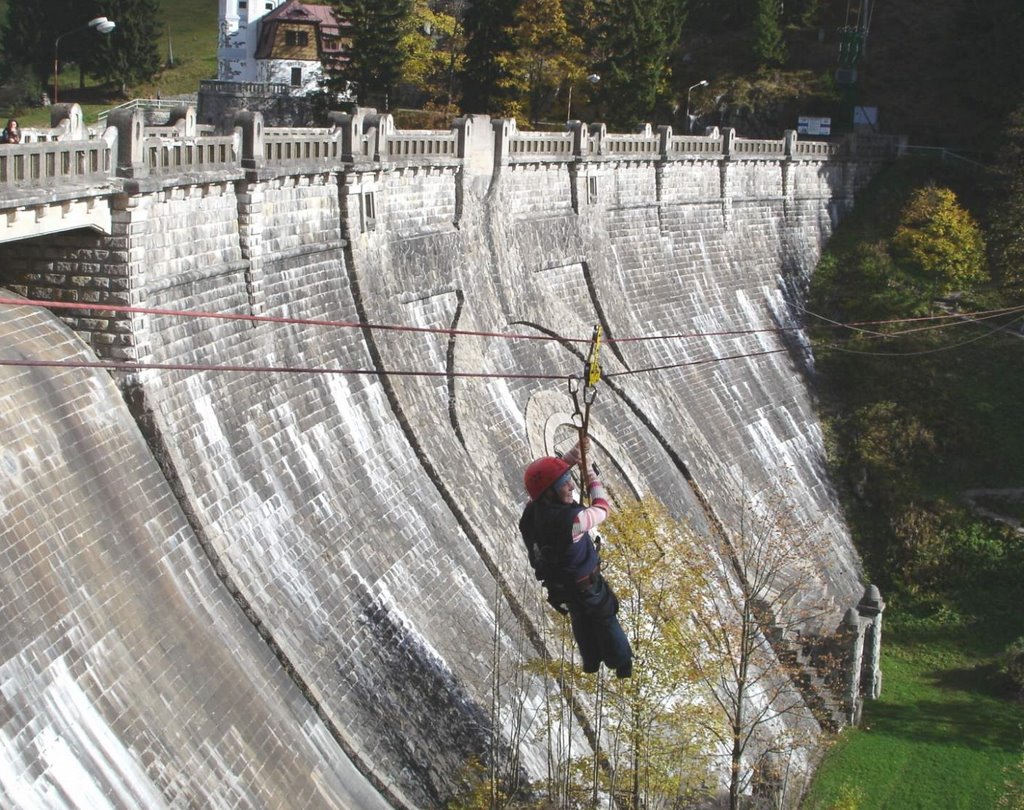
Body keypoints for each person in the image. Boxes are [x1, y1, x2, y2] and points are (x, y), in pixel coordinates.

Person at [519, 440, 633, 678]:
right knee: (605, 617)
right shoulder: (573, 522)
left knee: (580, 620)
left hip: (562, 586)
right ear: (551, 493)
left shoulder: (530, 514)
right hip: (586, 585)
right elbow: (601, 507)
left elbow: (544, 482)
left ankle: (591, 663)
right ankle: (622, 664)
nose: (571, 486)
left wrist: (572, 456)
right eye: (564, 484)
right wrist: (590, 474)